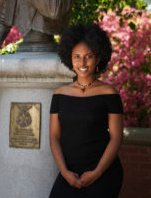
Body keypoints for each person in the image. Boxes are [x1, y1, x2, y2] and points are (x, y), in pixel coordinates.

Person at [49, 23, 123, 197]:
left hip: (104, 173)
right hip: (69, 175)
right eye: (77, 56)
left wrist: (97, 172)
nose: (82, 63)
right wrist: (64, 172)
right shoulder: (59, 94)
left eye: (88, 56)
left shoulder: (109, 94)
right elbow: (54, 137)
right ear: (70, 58)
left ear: (98, 58)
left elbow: (116, 137)